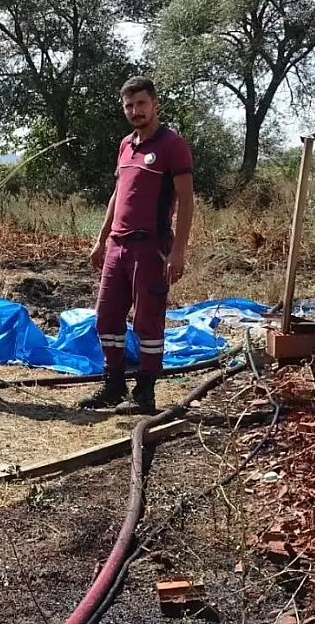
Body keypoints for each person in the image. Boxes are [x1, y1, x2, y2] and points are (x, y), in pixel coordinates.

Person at [77, 76, 196, 415]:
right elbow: (118, 195)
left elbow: (186, 201)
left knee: (147, 320)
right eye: (129, 105)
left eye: (141, 103)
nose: (135, 111)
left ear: (155, 104)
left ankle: (145, 392)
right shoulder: (125, 145)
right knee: (107, 318)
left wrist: (179, 251)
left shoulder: (173, 145)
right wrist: (101, 240)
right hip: (117, 246)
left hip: (151, 247)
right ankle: (114, 384)